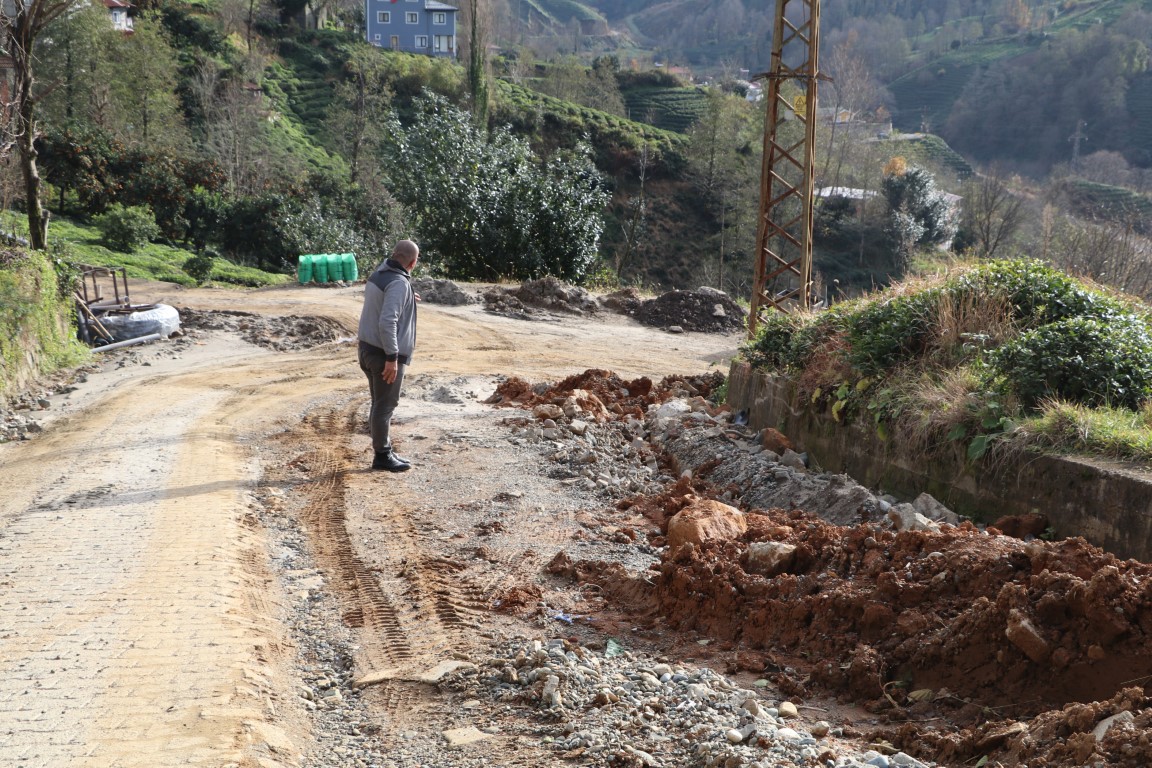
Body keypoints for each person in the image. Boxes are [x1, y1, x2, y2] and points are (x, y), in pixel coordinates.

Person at [357, 239, 419, 471]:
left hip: (367, 350)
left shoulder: (379, 274)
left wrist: (408, 296)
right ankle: (382, 456)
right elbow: (387, 322)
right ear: (413, 263)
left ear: (394, 254)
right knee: (385, 406)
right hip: (383, 355)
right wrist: (392, 357)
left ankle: (384, 449)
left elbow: (384, 301)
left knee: (379, 403)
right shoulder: (398, 283)